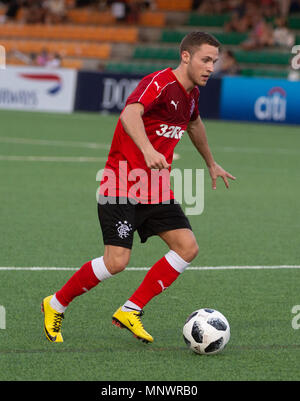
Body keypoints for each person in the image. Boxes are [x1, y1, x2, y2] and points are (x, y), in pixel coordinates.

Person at [41, 31, 236, 344]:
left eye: (214, 61)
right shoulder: (159, 82)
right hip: (120, 183)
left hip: (155, 189)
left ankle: (130, 310)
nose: (211, 67)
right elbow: (130, 112)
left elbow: (195, 124)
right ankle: (55, 304)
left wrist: (211, 163)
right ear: (185, 56)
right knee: (116, 261)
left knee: (187, 248)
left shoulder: (191, 95)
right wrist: (146, 149)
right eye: (205, 59)